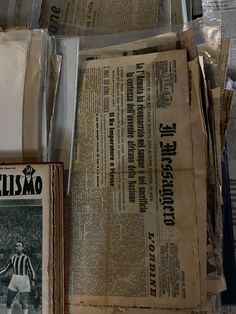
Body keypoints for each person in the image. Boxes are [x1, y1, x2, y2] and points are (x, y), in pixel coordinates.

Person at [0, 241, 35, 314]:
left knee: (23, 302)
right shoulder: (13, 257)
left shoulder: (26, 258)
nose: (17, 247)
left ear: (22, 248)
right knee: (9, 301)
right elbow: (6, 268)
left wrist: (33, 280)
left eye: (19, 246)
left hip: (24, 280)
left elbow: (31, 270)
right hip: (14, 279)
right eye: (16, 246)